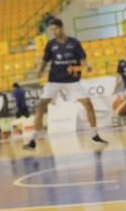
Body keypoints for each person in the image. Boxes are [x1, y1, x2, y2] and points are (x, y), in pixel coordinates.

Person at [24, 18, 107, 150]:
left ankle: (94, 134)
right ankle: (34, 139)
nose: (54, 32)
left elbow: (82, 57)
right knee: (41, 106)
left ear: (62, 28)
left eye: (55, 29)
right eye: (52, 30)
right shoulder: (51, 44)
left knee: (88, 104)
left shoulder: (74, 43)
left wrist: (87, 66)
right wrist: (40, 72)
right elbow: (45, 60)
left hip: (72, 81)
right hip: (54, 80)